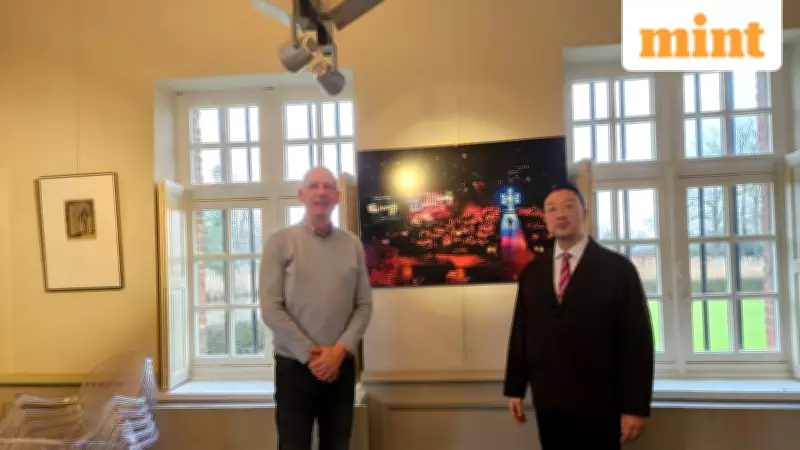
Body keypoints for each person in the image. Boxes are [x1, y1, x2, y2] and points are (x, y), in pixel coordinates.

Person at [503, 182, 654, 450]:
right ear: (545, 218)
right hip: (549, 400)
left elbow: (637, 342)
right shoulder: (532, 273)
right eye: (552, 209)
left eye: (568, 206)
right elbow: (521, 331)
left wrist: (635, 407)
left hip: (601, 402)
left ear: (584, 212)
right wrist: (515, 387)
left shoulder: (617, 269)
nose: (560, 214)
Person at [260, 166, 372, 450]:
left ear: (337, 196)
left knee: (338, 444)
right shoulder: (279, 242)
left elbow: (363, 305)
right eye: (314, 186)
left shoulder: (352, 245)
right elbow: (271, 308)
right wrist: (314, 358)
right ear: (301, 195)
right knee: (293, 445)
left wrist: (338, 352)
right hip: (294, 367)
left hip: (341, 367)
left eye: (328, 186)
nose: (321, 192)